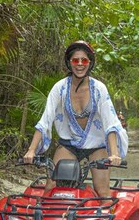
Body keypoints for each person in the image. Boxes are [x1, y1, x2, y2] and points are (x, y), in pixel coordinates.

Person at [23, 40, 128, 197]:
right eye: (75, 60)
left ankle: (105, 219)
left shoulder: (99, 88)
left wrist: (114, 154)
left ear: (90, 63)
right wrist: (31, 151)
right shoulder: (60, 88)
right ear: (69, 63)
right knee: (51, 187)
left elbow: (110, 122)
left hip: (96, 145)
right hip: (69, 144)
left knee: (103, 191)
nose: (80, 64)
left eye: (84, 60)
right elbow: (45, 120)